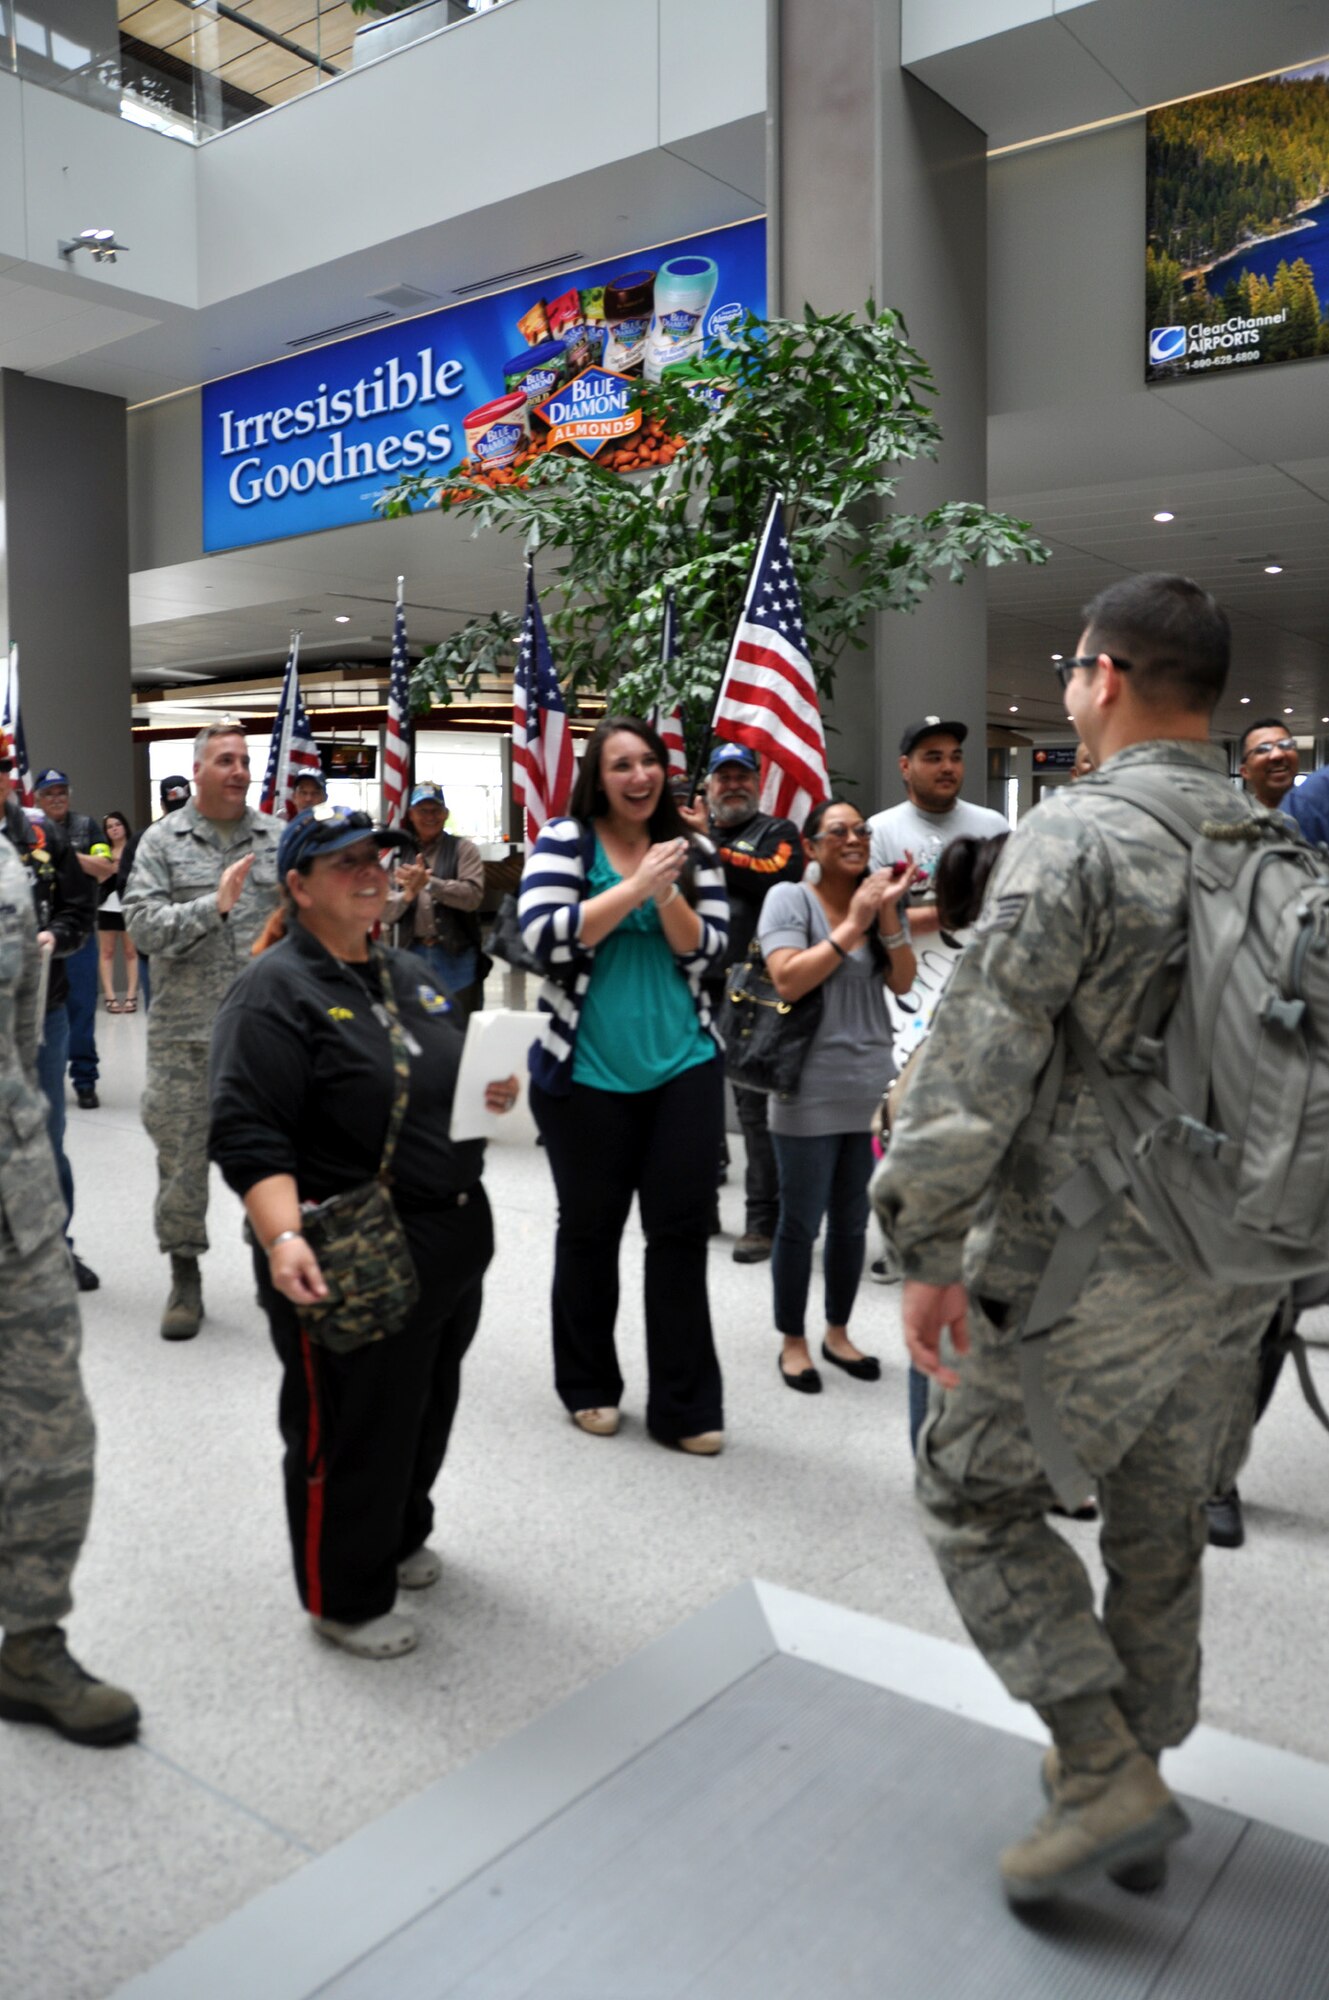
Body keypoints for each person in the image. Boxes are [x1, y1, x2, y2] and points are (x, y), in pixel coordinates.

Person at [875, 573, 1283, 1907]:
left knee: (972, 1495)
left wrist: (923, 1247)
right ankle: (1138, 1770)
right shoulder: (1272, 842)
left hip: (1085, 1260)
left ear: (1104, 677)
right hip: (1238, 1264)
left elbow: (976, 1059)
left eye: (1070, 670)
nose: (1065, 689)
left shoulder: (1074, 840)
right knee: (1161, 1520)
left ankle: (1105, 1770)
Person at [209, 805, 518, 1660]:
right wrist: (281, 1240)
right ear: (298, 887)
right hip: (348, 1247)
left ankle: (400, 1531)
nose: (370, 870)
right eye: (342, 862)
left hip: (449, 1236)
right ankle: (342, 1594)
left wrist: (487, 1094)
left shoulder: (407, 970)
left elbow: (435, 1073)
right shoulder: (273, 990)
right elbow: (245, 1133)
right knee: (351, 1426)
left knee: (422, 1405)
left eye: (375, 856)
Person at [518, 716, 730, 1453]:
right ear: (596, 777)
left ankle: (685, 1405)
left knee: (677, 1236)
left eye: (649, 762)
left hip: (683, 1065)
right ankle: (587, 1385)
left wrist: (665, 888)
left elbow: (710, 954)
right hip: (586, 1072)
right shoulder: (563, 841)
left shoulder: (695, 850)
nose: (639, 777)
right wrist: (635, 884)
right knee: (589, 1231)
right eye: (621, 765)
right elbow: (542, 938)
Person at [0, 834, 139, 1745]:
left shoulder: (7, 868)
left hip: (13, 1204)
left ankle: (29, 1644)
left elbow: (17, 1041)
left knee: (55, 1427)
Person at [124, 723, 280, 1340]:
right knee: (182, 1163)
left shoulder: (276, 836)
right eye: (225, 760)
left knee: (272, 1157)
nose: (239, 770)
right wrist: (209, 907)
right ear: (198, 771)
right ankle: (185, 1274)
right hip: (185, 1039)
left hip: (263, 1038)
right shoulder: (162, 841)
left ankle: (273, 1264)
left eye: (244, 760)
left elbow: (307, 913)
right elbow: (139, 926)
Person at [758, 800, 916, 1395]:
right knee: (800, 1223)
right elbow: (788, 977)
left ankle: (837, 1332)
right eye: (840, 831)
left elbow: (901, 981)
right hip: (806, 1086)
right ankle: (793, 1341)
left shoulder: (873, 905)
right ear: (811, 846)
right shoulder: (790, 900)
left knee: (853, 1223)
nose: (855, 838)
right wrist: (854, 920)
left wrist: (889, 913)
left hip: (866, 1083)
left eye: (862, 830)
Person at [679, 743, 803, 1264]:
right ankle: (699, 1208)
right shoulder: (683, 839)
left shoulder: (778, 835)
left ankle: (760, 1221)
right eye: (723, 776)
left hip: (754, 994)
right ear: (707, 784)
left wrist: (707, 844)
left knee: (753, 1113)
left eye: (741, 776)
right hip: (690, 986)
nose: (733, 785)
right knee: (691, 1106)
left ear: (758, 782)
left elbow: (774, 875)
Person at [0, 734, 99, 1293]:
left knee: (44, 1131)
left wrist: (52, 937)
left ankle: (55, 1248)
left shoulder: (42, 835)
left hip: (41, 1012)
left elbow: (77, 908)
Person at [866, 718, 1008, 932]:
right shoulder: (879, 831)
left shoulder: (993, 825)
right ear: (905, 766)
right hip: (907, 962)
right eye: (934, 758)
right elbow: (871, 917)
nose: (948, 768)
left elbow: (1014, 904)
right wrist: (964, 913)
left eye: (956, 758)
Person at [31, 768, 110, 1110]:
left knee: (81, 1009)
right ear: (37, 798)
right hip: (37, 941)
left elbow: (105, 868)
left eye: (62, 791)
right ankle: (42, 1082)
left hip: (77, 935)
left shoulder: (86, 827)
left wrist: (59, 853)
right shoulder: (26, 832)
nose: (57, 798)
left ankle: (84, 1080)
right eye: (49, 793)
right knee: (35, 1013)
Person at [384, 782, 487, 1021]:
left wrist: (430, 884)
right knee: (416, 1029)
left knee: (461, 1027)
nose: (430, 817)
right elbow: (383, 911)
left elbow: (472, 897)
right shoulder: (397, 853)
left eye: (435, 811)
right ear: (411, 815)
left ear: (445, 814)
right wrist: (408, 895)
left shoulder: (465, 849)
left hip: (457, 956)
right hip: (410, 956)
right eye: (422, 811)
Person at [97, 811, 139, 1012]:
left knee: (131, 952)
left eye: (117, 824)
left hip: (129, 905)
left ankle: (131, 996)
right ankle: (110, 996)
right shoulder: (101, 852)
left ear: (124, 826)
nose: (114, 829)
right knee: (107, 952)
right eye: (109, 827)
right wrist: (108, 869)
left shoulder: (135, 849)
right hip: (106, 906)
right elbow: (96, 878)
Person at [1238, 718, 1299, 814]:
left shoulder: (1321, 809)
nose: (1277, 755)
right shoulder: (1234, 819)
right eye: (1263, 749)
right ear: (1245, 771)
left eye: (1285, 745)